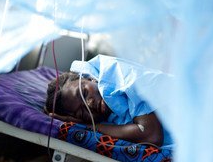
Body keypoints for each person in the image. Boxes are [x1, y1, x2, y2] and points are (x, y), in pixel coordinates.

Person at [44, 55, 173, 147]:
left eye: (84, 93)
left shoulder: (117, 75)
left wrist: (93, 127)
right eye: (82, 112)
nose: (89, 104)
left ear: (90, 78)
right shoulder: (106, 117)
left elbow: (151, 135)